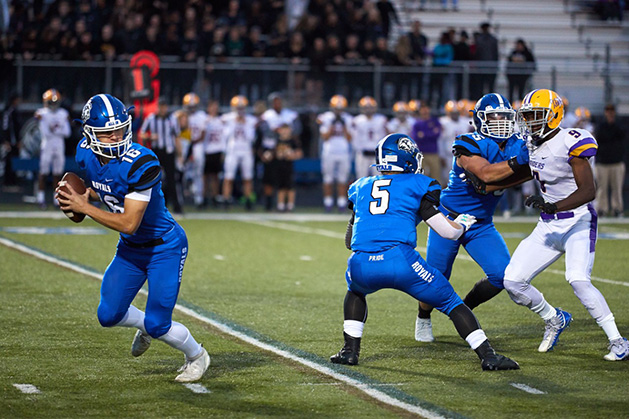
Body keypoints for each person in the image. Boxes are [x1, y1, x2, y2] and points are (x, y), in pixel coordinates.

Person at [330, 133, 519, 371]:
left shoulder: (360, 187)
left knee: (355, 291)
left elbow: (349, 240)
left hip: (360, 264)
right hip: (400, 261)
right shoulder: (418, 185)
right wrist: (463, 223)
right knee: (452, 302)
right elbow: (448, 233)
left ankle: (350, 351)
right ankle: (487, 355)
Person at [56, 94, 210, 381]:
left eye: (119, 130)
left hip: (164, 247)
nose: (115, 137)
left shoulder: (141, 161)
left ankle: (197, 356)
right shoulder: (85, 153)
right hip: (131, 250)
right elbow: (98, 184)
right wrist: (85, 194)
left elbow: (129, 223)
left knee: (159, 324)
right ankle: (145, 326)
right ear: (90, 135)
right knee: (108, 315)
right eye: (106, 133)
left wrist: (85, 207)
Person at [501, 89, 629, 360]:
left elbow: (588, 190)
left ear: (553, 115)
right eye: (527, 116)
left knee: (578, 280)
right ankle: (554, 318)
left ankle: (618, 342)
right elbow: (526, 170)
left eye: (535, 116)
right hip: (547, 226)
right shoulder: (531, 142)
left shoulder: (570, 141)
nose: (530, 122)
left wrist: (555, 205)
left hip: (577, 221)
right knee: (512, 281)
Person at [413, 93, 530, 342]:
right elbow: (486, 175)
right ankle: (423, 316)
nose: (499, 121)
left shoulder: (518, 142)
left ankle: (464, 309)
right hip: (449, 218)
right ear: (479, 119)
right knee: (437, 276)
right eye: (493, 117)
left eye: (504, 116)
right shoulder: (468, 142)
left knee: (502, 276)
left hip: (481, 224)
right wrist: (521, 164)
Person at [139, 98, 183, 214]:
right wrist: (150, 137)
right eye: (160, 106)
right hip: (156, 151)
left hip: (169, 151)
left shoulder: (172, 119)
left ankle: (176, 207)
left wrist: (180, 154)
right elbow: (142, 133)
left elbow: (177, 137)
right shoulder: (151, 119)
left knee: (171, 179)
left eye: (164, 106)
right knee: (154, 179)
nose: (162, 109)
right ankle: (153, 207)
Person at [35, 89, 71, 209]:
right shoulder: (42, 113)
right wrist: (57, 130)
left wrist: (56, 130)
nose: (53, 104)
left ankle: (56, 199)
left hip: (59, 144)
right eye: (51, 102)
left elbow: (67, 132)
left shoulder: (63, 113)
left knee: (57, 173)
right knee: (43, 172)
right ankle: (40, 198)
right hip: (47, 144)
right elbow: (42, 125)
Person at [317, 95, 353, 212]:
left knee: (342, 178)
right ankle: (328, 203)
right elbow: (325, 137)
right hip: (329, 151)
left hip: (343, 151)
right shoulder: (326, 118)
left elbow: (349, 138)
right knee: (328, 178)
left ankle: (341, 203)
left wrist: (344, 126)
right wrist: (332, 126)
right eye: (336, 108)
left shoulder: (348, 118)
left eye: (340, 108)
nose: (338, 111)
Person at [221, 95, 257, 210]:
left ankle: (248, 201)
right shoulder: (228, 118)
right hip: (232, 150)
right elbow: (226, 135)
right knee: (228, 177)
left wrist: (244, 124)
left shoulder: (250, 120)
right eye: (238, 107)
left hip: (246, 150)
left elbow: (252, 137)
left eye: (242, 107)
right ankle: (226, 200)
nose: (240, 110)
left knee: (247, 177)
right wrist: (235, 123)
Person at [594, 104, 626, 217]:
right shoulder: (601, 125)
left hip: (616, 161)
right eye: (608, 110)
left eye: (611, 110)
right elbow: (599, 138)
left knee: (617, 188)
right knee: (602, 188)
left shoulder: (619, 125)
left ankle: (617, 209)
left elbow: (622, 137)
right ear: (605, 112)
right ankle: (602, 209)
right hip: (603, 162)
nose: (610, 113)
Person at [350, 96, 388, 179]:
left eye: (370, 107)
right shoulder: (357, 120)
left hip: (377, 154)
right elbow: (353, 137)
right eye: (366, 107)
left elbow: (387, 134)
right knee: (361, 179)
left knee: (379, 180)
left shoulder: (381, 119)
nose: (368, 110)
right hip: (363, 153)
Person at [181, 93, 207, 209]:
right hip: (184, 145)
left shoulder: (201, 116)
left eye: (193, 106)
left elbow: (202, 134)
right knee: (182, 172)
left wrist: (192, 144)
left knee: (198, 172)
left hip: (197, 146)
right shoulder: (181, 116)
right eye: (189, 106)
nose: (191, 108)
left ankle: (199, 199)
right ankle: (181, 197)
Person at [411, 103, 443, 186]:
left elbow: (437, 134)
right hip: (421, 153)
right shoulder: (417, 123)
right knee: (422, 176)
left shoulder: (434, 121)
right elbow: (415, 137)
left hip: (433, 152)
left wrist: (423, 135)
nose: (424, 111)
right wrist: (430, 133)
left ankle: (437, 195)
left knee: (436, 176)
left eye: (426, 108)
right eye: (422, 109)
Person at [202, 100, 225, 208]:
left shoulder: (221, 120)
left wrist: (223, 151)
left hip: (217, 150)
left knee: (215, 176)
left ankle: (215, 198)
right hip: (207, 150)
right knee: (205, 176)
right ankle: (204, 197)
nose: (214, 109)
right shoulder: (205, 120)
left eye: (216, 107)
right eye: (212, 107)